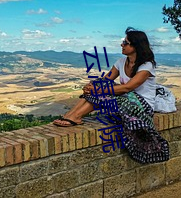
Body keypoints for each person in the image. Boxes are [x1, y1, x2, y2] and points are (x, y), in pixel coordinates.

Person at [53, 27, 169, 163]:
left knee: (101, 91)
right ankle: (71, 115)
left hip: (142, 105)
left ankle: (76, 116)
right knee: (98, 85)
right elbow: (107, 80)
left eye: (126, 43)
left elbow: (128, 87)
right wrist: (91, 86)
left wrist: (99, 90)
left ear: (136, 46)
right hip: (126, 99)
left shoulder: (146, 65)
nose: (122, 45)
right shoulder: (121, 62)